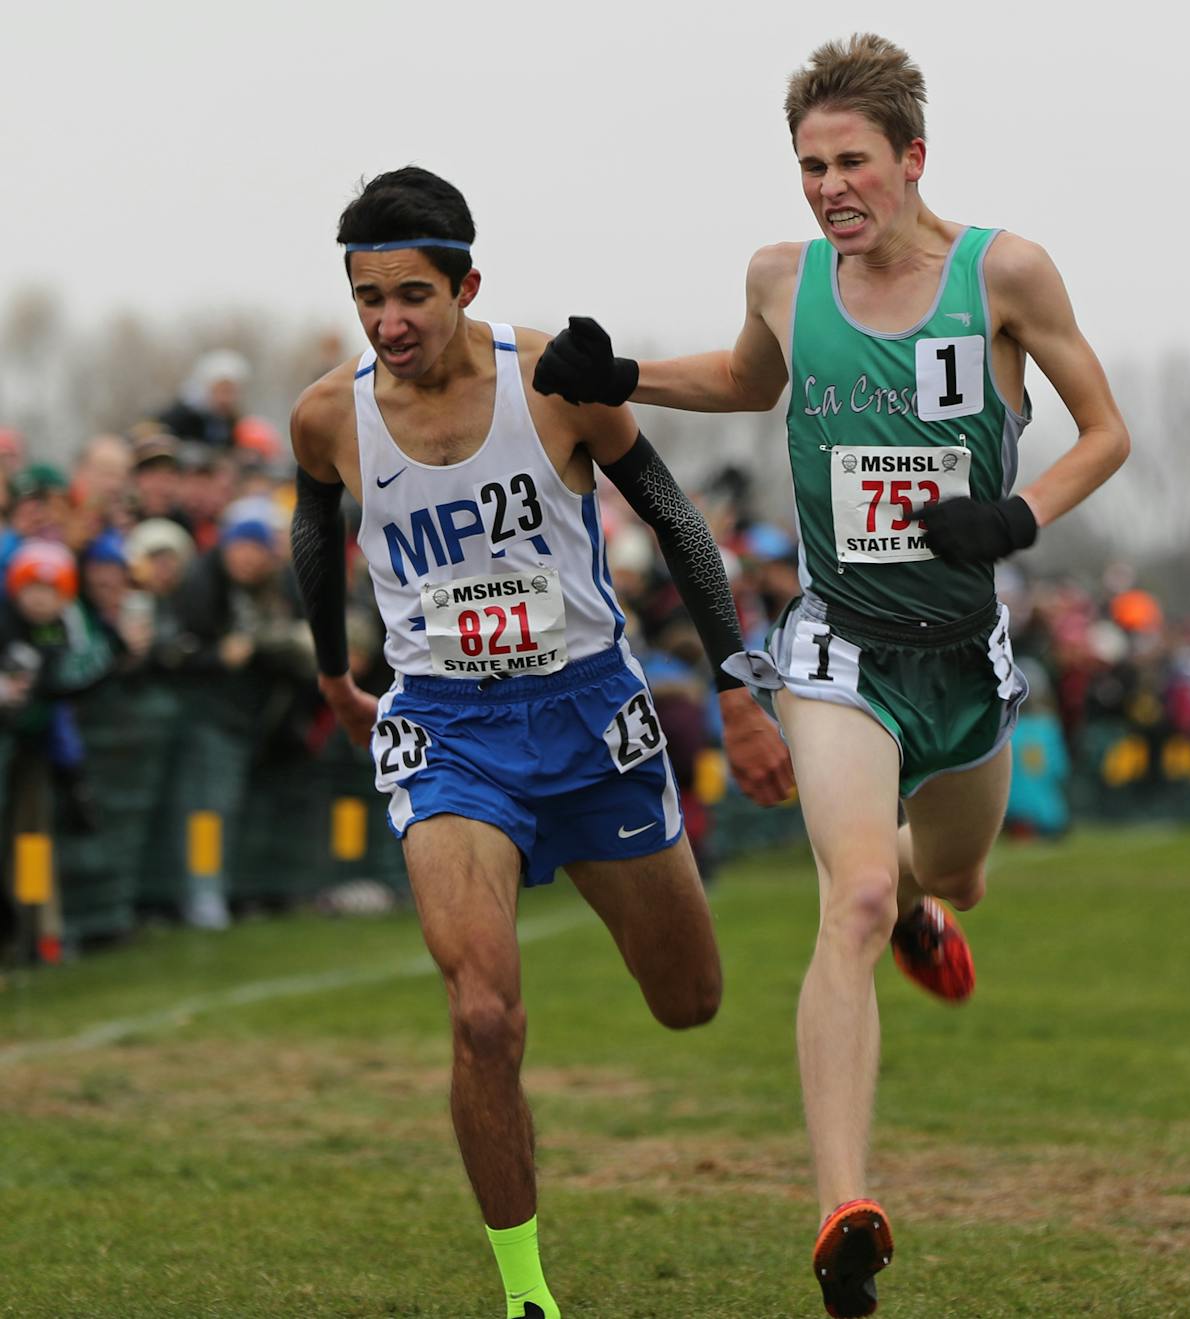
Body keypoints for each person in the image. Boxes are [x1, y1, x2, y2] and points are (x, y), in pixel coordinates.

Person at [533, 34, 1130, 1317]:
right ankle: (843, 1211)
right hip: (838, 648)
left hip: (963, 656)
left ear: (913, 161)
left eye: (850, 161)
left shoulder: (1003, 272)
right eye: (808, 165)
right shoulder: (780, 277)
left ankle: (928, 901)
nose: (826, 187)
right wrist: (622, 377)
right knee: (850, 898)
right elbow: (748, 381)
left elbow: (1106, 430)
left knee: (947, 872)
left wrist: (1016, 517)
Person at [288, 166, 792, 1319]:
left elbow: (673, 519)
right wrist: (333, 669)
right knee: (479, 1012)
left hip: (588, 717)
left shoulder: (554, 381)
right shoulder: (333, 411)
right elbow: (317, 526)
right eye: (368, 299)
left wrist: (738, 688)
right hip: (446, 730)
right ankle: (524, 1291)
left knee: (689, 999)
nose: (389, 323)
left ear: (468, 282)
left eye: (412, 294)